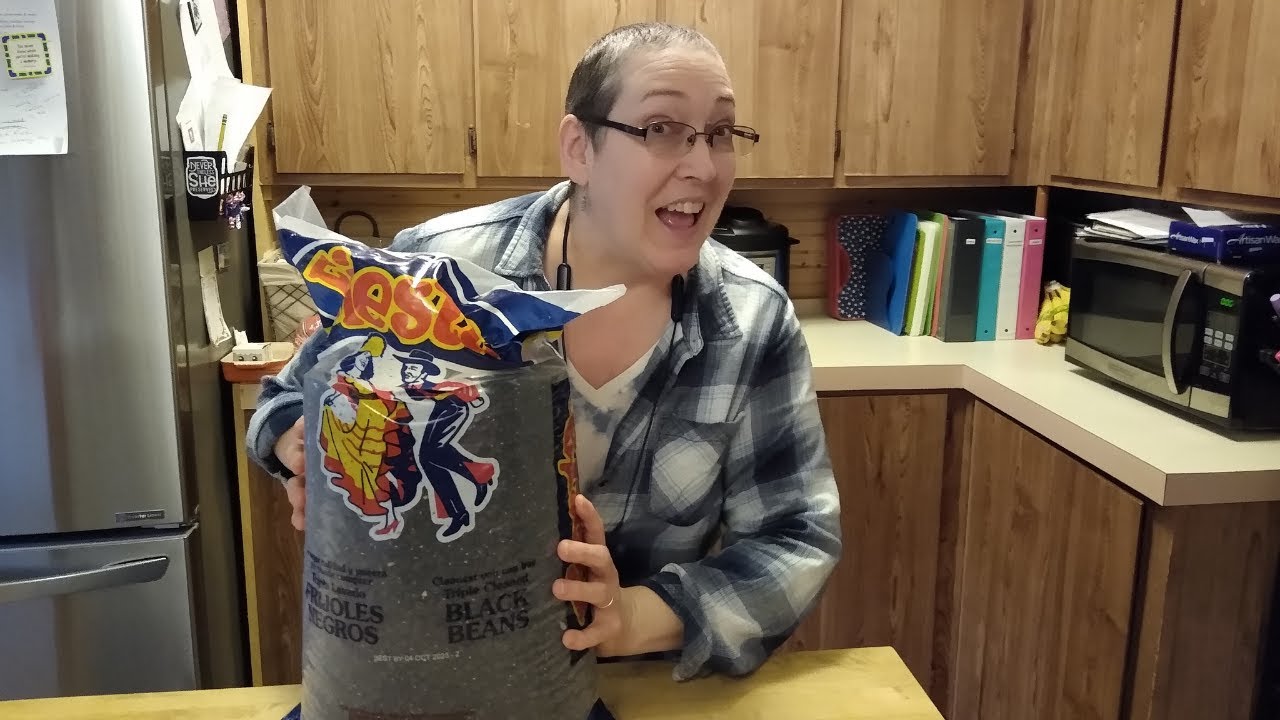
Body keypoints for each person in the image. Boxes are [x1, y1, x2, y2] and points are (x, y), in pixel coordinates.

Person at [247, 21, 841, 681]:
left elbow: (795, 540)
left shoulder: (753, 320)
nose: (703, 165)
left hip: (638, 684)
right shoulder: (441, 269)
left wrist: (633, 616)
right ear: (579, 148)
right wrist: (304, 445)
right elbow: (280, 400)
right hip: (437, 676)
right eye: (662, 128)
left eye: (721, 133)